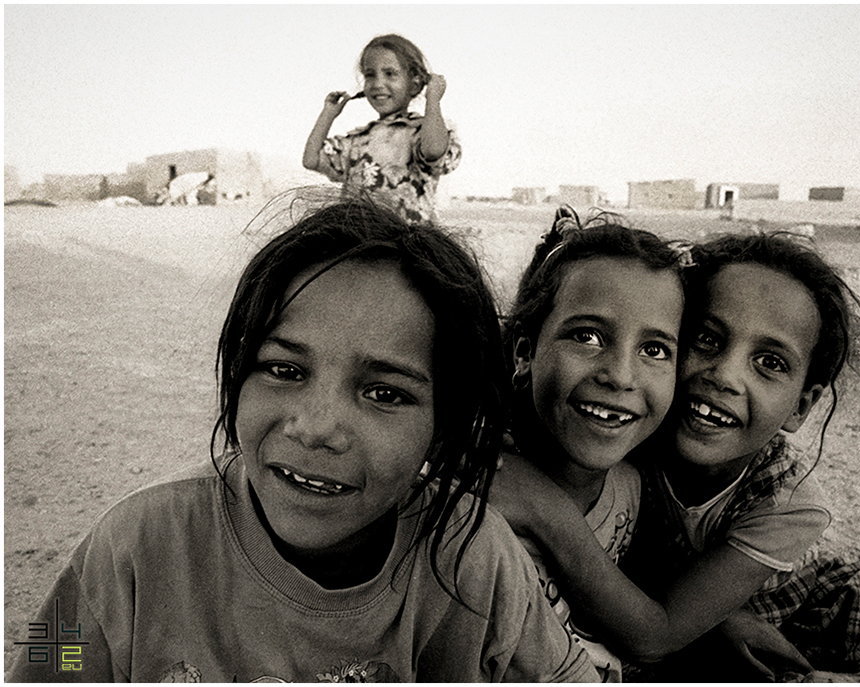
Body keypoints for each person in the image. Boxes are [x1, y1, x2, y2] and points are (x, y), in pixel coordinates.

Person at [9, 191, 597, 683]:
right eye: (284, 370)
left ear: (443, 430)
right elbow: (42, 672)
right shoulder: (132, 548)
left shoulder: (476, 564)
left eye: (385, 393)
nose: (314, 428)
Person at [495, 232, 860, 682]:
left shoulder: (788, 502)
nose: (724, 376)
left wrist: (547, 512)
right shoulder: (626, 423)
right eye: (705, 339)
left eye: (769, 363)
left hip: (826, 604)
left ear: (802, 406)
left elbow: (658, 633)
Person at [493, 206, 689, 681]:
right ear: (525, 352)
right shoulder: (480, 493)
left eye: (654, 350)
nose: (620, 376)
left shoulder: (633, 487)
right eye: (587, 336)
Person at [302, 34, 460, 226]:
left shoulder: (421, 131)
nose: (377, 84)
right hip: (359, 243)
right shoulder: (359, 140)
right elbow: (311, 159)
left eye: (390, 74)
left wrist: (433, 99)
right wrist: (328, 114)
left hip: (407, 247)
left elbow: (434, 150)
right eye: (370, 75)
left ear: (415, 83)